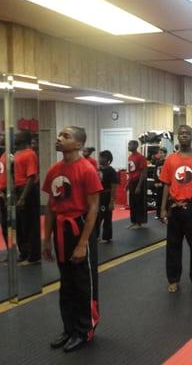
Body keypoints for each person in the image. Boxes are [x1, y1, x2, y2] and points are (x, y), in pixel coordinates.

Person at [42, 126, 102, 353]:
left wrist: (83, 243)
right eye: (60, 135)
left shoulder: (86, 169)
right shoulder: (54, 169)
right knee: (66, 284)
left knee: (83, 284)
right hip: (60, 229)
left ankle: (84, 330)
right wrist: (46, 239)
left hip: (80, 227)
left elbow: (94, 208)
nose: (59, 138)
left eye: (65, 136)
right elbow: (50, 207)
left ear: (78, 144)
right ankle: (69, 329)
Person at [159, 125, 192, 294]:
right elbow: (166, 185)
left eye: (187, 134)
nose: (183, 136)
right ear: (177, 137)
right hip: (174, 207)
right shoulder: (171, 159)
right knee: (173, 246)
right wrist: (162, 209)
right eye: (181, 134)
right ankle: (173, 279)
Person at [14, 130, 41, 265]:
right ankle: (23, 252)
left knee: (30, 224)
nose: (15, 136)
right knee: (20, 225)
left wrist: (23, 197)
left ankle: (34, 255)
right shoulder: (17, 154)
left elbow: (31, 177)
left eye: (17, 135)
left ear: (24, 139)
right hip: (17, 190)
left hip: (27, 191)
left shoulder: (30, 154)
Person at [96, 150, 118, 243]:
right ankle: (96, 236)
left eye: (101, 157)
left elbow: (114, 187)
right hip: (98, 195)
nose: (99, 159)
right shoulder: (98, 169)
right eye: (99, 157)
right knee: (97, 216)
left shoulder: (111, 171)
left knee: (107, 217)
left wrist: (111, 202)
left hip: (107, 195)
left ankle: (106, 237)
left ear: (107, 159)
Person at [127, 140, 147, 229]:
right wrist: (128, 183)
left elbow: (143, 172)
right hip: (132, 182)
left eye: (130, 144)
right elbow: (131, 172)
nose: (128, 146)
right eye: (128, 144)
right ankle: (134, 221)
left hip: (139, 181)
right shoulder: (130, 157)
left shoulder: (141, 157)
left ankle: (139, 223)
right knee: (132, 203)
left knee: (138, 203)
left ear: (136, 145)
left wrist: (139, 186)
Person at [153, 147, 167, 221]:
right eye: (159, 153)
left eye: (161, 153)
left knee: (164, 200)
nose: (160, 154)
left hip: (164, 185)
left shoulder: (166, 162)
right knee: (158, 200)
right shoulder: (157, 162)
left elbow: (167, 174)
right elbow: (155, 173)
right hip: (157, 183)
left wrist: (162, 183)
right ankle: (158, 214)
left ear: (165, 154)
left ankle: (165, 214)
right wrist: (155, 182)